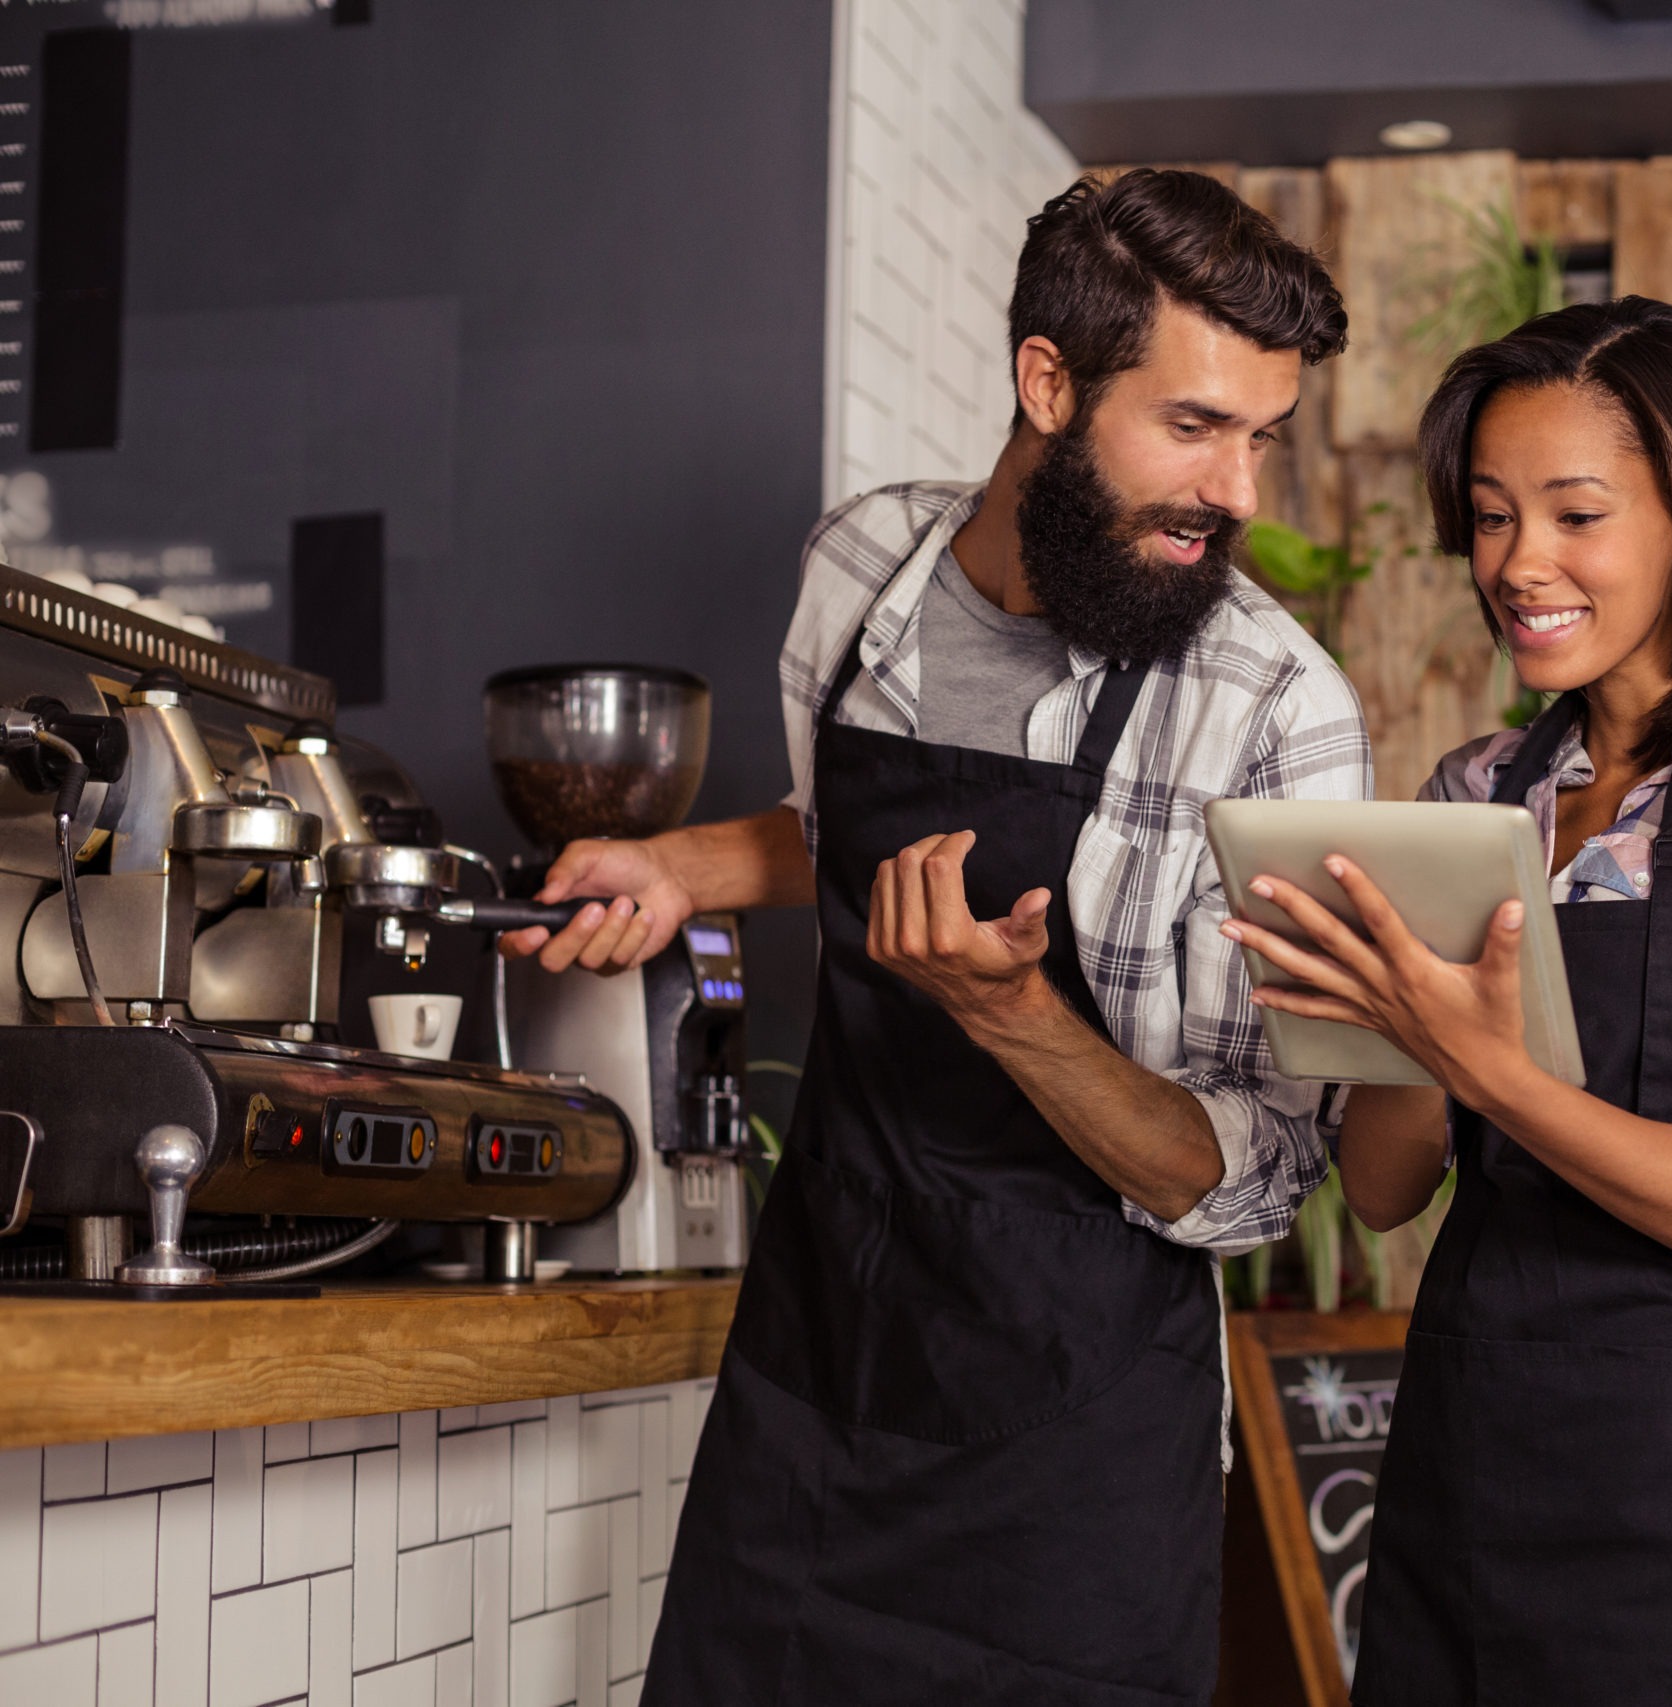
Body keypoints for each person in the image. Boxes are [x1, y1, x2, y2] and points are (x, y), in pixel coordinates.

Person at [501, 168, 1367, 1704]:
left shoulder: (1274, 709)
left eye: (1261, 438)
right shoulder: (862, 571)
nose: (1239, 491)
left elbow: (1259, 1180)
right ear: (1048, 381)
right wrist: (685, 864)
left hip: (1075, 1465)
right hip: (814, 1386)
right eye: (1193, 426)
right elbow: (844, 828)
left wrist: (1014, 1017)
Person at [1222, 296, 1672, 1706]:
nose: (1519, 563)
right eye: (1490, 517)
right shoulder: (1477, 793)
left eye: (1575, 515)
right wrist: (1397, 1019)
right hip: (1464, 1487)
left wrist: (1487, 1065)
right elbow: (1376, 1186)